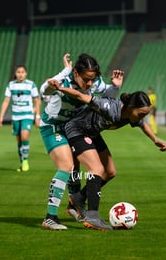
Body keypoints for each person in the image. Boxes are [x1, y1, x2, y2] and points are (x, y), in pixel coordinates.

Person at [50, 83, 166, 230]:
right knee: (96, 169)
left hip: (92, 133)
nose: (142, 117)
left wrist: (155, 139)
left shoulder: (134, 115)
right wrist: (60, 88)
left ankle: (78, 198)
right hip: (77, 130)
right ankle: (92, 216)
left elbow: (143, 124)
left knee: (110, 171)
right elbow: (81, 96)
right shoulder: (108, 107)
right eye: (141, 113)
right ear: (130, 108)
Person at [39, 53, 124, 230]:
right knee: (66, 165)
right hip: (54, 126)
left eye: (93, 79)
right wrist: (55, 81)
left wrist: (115, 87)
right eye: (86, 79)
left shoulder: (94, 82)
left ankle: (75, 205)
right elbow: (44, 90)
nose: (90, 84)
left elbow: (105, 94)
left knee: (76, 169)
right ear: (76, 73)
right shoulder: (65, 80)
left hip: (74, 127)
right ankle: (50, 217)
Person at [0, 65, 41, 172]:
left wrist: (37, 116)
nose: (20, 74)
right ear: (15, 74)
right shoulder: (11, 85)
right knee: (19, 140)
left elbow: (37, 100)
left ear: (26, 73)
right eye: (18, 72)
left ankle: (25, 161)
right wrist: (1, 116)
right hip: (16, 116)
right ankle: (22, 161)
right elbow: (6, 101)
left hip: (27, 115)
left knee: (24, 136)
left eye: (22, 72)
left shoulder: (31, 84)